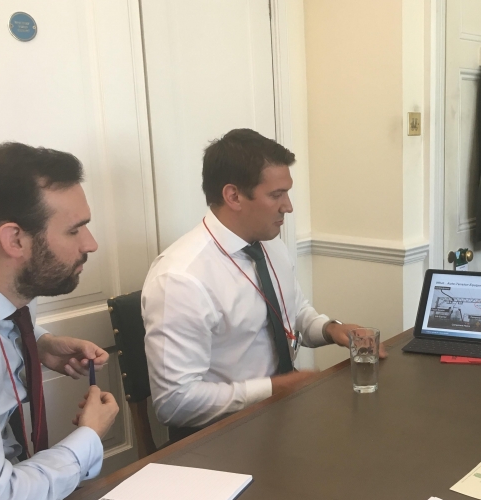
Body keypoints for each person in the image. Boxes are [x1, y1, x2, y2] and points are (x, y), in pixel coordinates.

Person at [142, 128, 384, 438]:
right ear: (234, 196)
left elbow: (294, 314)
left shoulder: (269, 244)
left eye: (287, 192)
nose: (288, 206)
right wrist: (273, 388)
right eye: (276, 194)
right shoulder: (180, 279)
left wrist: (330, 329)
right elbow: (174, 404)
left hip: (283, 414)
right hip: (222, 436)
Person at [0, 142, 120, 500]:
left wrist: (36, 343)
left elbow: (0, 323)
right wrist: (88, 438)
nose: (90, 244)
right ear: (14, 240)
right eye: (74, 229)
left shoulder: (13, 293)